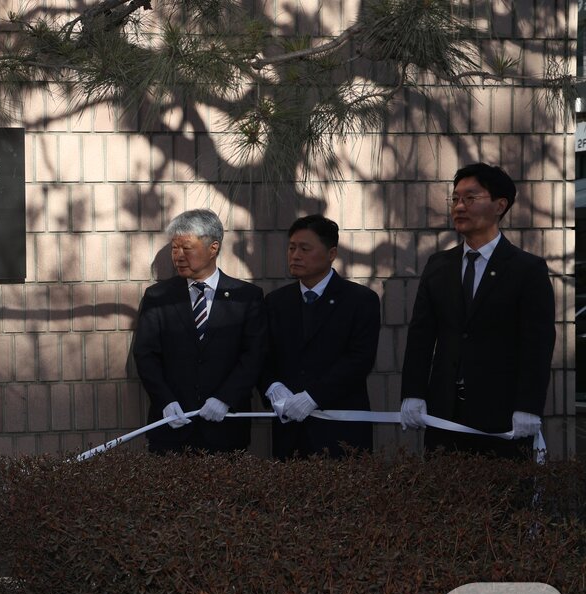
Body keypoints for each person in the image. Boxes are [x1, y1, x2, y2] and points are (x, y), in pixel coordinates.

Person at [400, 163, 555, 457]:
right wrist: (413, 393)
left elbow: (538, 344)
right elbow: (421, 336)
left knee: (501, 501)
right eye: (455, 199)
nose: (459, 206)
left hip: (503, 415)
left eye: (470, 198)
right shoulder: (438, 265)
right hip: (444, 413)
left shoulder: (527, 269)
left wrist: (528, 407)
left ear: (500, 205)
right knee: (440, 499)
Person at [134, 208, 265, 454]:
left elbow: (254, 355)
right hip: (172, 429)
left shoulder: (247, 297)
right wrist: (166, 401)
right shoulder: (158, 297)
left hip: (225, 429)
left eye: (187, 248)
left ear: (213, 247)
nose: (178, 256)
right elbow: (145, 355)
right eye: (174, 248)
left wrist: (226, 398)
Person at [262, 215, 380, 459]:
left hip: (340, 429)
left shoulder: (360, 300)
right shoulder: (276, 301)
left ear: (331, 253)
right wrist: (272, 386)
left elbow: (360, 359)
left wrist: (313, 396)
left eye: (305, 249)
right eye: (292, 248)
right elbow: (263, 354)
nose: (295, 255)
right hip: (289, 431)